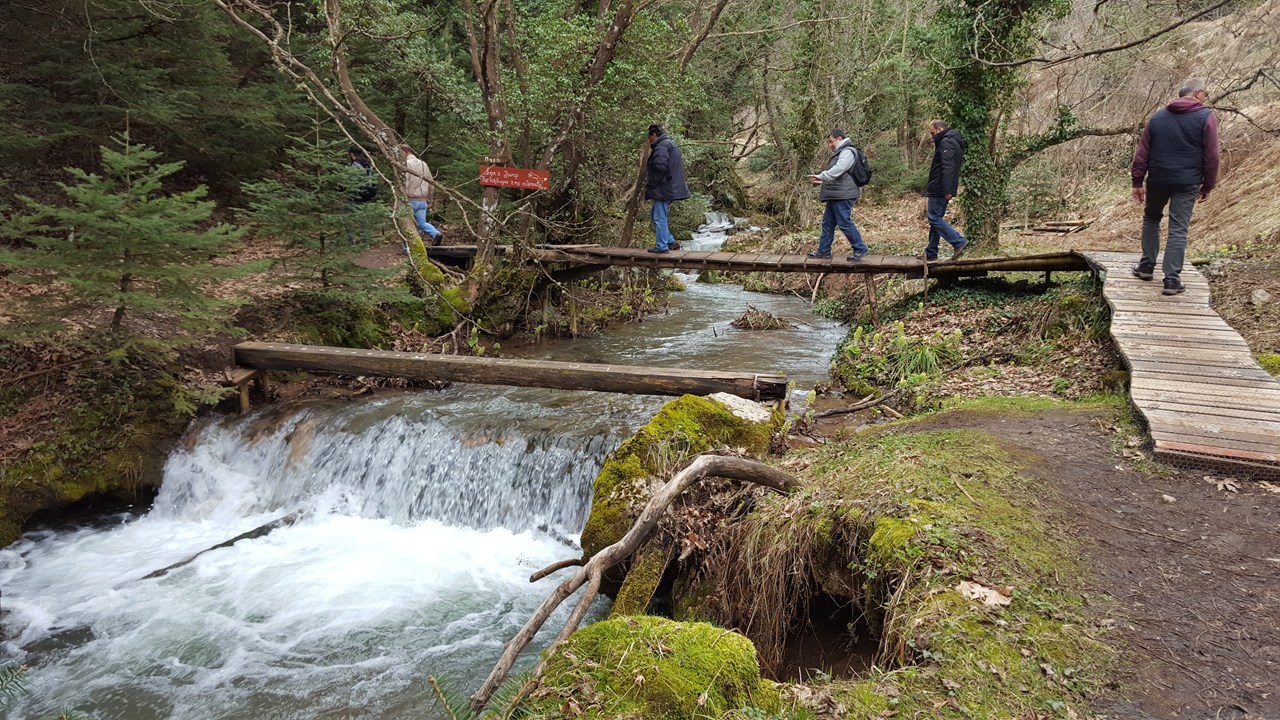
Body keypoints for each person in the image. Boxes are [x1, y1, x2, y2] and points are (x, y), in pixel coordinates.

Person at [1130, 77, 1220, 296]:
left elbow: (1142, 152)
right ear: (1197, 93)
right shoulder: (1206, 117)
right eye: (1205, 94)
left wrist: (1137, 181)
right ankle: (1171, 280)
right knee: (1178, 228)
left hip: (1158, 178)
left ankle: (1146, 266)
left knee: (1151, 218)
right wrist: (1208, 185)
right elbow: (1212, 155)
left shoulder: (1158, 117)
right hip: (1188, 181)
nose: (1206, 98)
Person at [807, 129, 869, 262]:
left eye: (831, 141)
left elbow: (839, 169)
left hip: (843, 194)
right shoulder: (842, 152)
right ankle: (824, 251)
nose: (830, 145)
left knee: (844, 222)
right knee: (827, 223)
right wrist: (822, 181)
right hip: (836, 193)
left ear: (839, 138)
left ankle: (860, 248)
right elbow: (841, 175)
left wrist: (822, 176)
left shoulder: (847, 152)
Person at [923, 120, 968, 261]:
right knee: (936, 219)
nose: (932, 137)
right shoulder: (953, 141)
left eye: (932, 133)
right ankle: (931, 252)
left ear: (939, 129)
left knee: (934, 218)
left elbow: (947, 167)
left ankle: (958, 241)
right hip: (942, 186)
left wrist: (946, 190)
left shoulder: (946, 142)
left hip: (939, 187)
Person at [645, 125, 690, 254]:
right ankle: (670, 241)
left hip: (664, 188)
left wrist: (652, 184)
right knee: (654, 214)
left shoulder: (662, 146)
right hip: (670, 186)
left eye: (649, 137)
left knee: (659, 217)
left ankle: (662, 246)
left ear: (654, 135)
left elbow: (660, 167)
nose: (649, 141)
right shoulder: (669, 144)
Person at [397, 143, 442, 245]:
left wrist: (401, 198)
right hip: (422, 200)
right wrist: (430, 199)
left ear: (403, 152)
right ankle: (435, 233)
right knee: (422, 223)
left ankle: (407, 248)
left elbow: (404, 183)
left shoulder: (406, 164)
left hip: (410, 199)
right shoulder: (423, 164)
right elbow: (431, 183)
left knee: (407, 225)